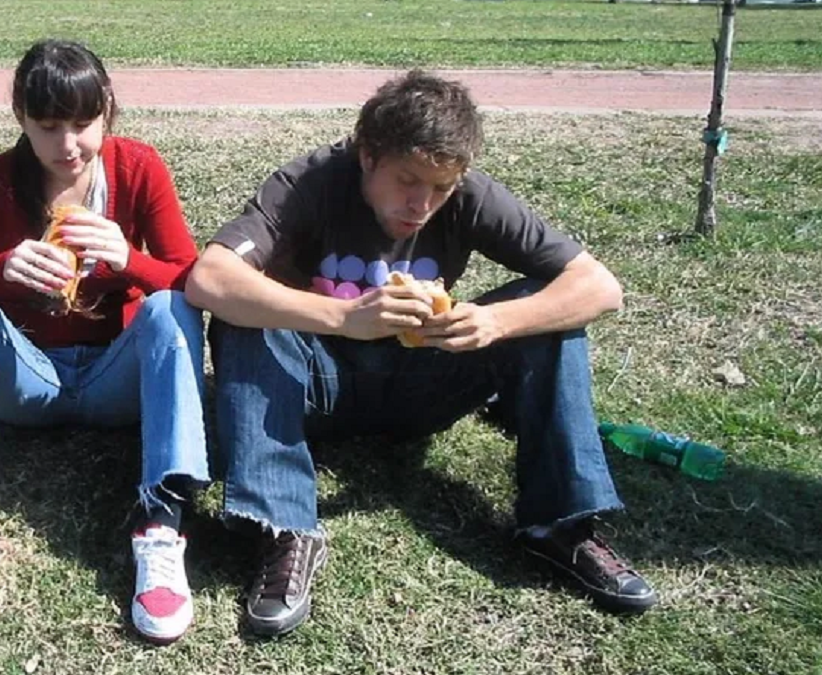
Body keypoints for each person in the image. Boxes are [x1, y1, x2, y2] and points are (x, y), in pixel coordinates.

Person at [185, 70, 658, 636]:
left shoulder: (469, 195)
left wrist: (496, 320)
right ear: (367, 155)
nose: (422, 204)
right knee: (245, 320)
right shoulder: (310, 182)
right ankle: (285, 530)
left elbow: (600, 287)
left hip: (424, 382)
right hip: (313, 387)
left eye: (440, 188)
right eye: (407, 180)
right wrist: (342, 317)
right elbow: (209, 278)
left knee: (547, 311)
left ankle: (559, 526)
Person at [0, 39, 207, 645]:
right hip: (27, 384)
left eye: (84, 125)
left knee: (170, 308)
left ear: (108, 110)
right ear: (20, 119)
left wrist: (129, 260)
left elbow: (196, 283)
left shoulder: (137, 168)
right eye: (48, 126)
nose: (69, 146)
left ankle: (161, 524)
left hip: (118, 381)